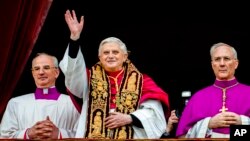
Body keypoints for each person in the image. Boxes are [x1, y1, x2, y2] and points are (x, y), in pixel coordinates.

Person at [59, 9, 176, 139]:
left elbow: (154, 111)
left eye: (115, 52)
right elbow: (72, 73)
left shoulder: (143, 80)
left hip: (132, 134)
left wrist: (130, 118)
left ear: (125, 56)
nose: (110, 56)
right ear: (99, 57)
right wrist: (74, 38)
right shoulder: (88, 77)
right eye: (106, 53)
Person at [176, 42, 250, 138]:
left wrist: (243, 122)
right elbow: (182, 137)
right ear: (212, 65)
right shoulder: (198, 97)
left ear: (236, 64)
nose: (222, 64)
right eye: (217, 59)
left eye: (226, 59)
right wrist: (208, 124)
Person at [0, 53, 80, 139]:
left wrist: (59, 134)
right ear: (33, 73)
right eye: (37, 69)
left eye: (46, 68)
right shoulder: (15, 103)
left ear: (56, 72)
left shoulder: (73, 103)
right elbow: (4, 136)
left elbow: (84, 134)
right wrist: (28, 133)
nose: (41, 72)